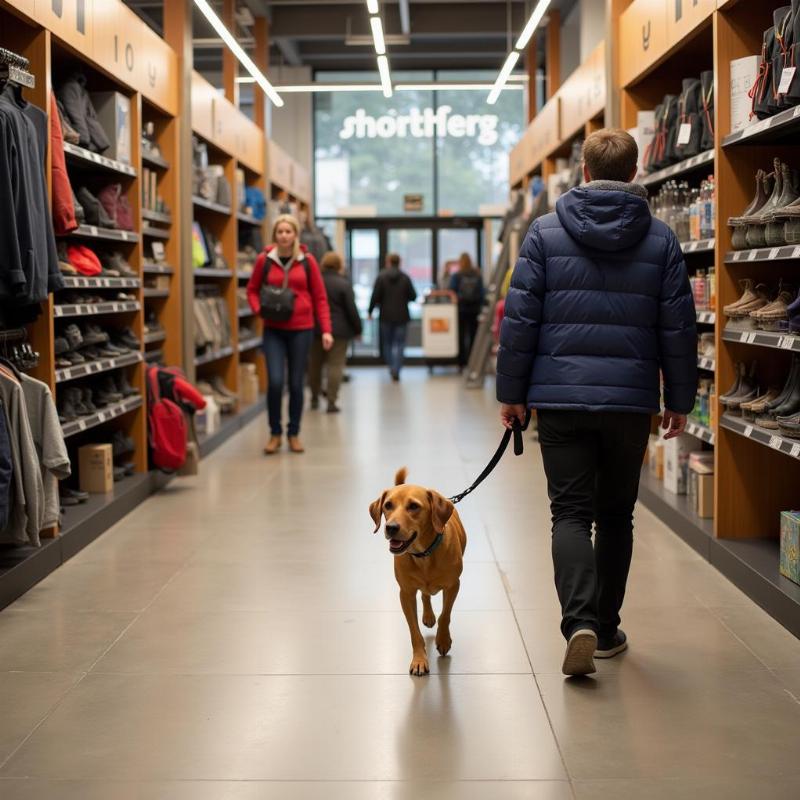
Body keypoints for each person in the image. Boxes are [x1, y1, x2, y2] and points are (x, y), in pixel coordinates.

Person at [496, 129, 697, 677]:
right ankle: (606, 631)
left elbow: (520, 323)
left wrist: (511, 394)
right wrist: (680, 398)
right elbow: (678, 327)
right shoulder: (660, 239)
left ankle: (578, 621)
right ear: (634, 173)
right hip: (630, 404)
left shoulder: (542, 233)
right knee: (615, 516)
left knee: (570, 513)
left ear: (584, 171)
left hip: (559, 400)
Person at [247, 214, 332, 455]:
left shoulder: (308, 261)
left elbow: (320, 297)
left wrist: (325, 329)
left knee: (296, 384)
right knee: (275, 383)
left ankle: (293, 433)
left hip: (301, 330)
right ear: (274, 235)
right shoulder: (264, 260)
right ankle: (275, 433)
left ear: (295, 234)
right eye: (280, 232)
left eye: (288, 231)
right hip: (273, 329)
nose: (284, 235)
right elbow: (252, 290)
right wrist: (258, 309)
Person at [308, 251, 362, 413]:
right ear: (339, 265)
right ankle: (331, 401)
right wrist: (358, 329)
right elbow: (351, 310)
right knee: (335, 366)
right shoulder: (343, 284)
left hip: (316, 329)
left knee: (314, 366)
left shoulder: (314, 282)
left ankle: (314, 398)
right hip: (340, 331)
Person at [368, 253, 417, 381]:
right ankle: (397, 369)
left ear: (388, 262)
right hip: (402, 316)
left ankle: (391, 367)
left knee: (387, 344)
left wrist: (370, 311)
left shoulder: (381, 277)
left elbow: (375, 296)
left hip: (385, 316)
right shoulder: (405, 278)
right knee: (400, 344)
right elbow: (413, 296)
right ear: (399, 262)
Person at [449, 252, 485, 369]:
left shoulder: (457, 275)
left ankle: (461, 363)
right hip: (474, 309)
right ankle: (472, 361)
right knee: (473, 336)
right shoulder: (477, 274)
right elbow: (482, 293)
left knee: (461, 335)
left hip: (461, 309)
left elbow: (452, 290)